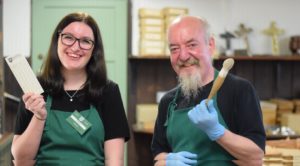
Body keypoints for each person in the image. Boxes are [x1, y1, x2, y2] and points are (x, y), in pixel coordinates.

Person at [11, 12, 130, 166]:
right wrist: (39, 117)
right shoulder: (35, 88)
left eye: (86, 41)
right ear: (57, 40)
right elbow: (22, 161)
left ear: (94, 49)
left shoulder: (108, 91)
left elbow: (114, 160)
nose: (75, 47)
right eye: (68, 37)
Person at [151, 16, 265, 166]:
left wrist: (218, 132)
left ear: (210, 45)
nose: (183, 56)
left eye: (191, 45)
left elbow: (256, 158)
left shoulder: (239, 90)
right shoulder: (168, 101)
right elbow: (158, 156)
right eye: (175, 49)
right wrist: (166, 162)